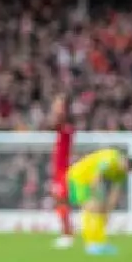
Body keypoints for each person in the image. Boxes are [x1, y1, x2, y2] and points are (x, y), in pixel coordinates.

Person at [66, 148, 130, 256]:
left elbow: (115, 193)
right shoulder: (110, 158)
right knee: (90, 207)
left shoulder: (121, 173)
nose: (125, 169)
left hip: (91, 181)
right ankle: (90, 244)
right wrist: (95, 195)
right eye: (125, 165)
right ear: (123, 159)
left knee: (101, 210)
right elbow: (97, 176)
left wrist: (108, 210)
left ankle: (100, 242)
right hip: (79, 177)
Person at [48, 95, 75, 249]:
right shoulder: (62, 128)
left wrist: (57, 109)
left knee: (61, 200)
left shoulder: (65, 128)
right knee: (58, 201)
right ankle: (66, 233)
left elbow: (54, 123)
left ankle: (67, 234)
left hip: (63, 171)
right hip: (58, 170)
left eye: (59, 106)